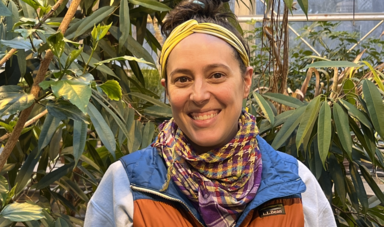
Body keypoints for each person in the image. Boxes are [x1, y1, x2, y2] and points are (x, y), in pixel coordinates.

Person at [84, 0, 336, 226]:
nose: (199, 94)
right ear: (167, 90)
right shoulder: (126, 185)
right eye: (182, 79)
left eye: (217, 75)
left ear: (246, 81)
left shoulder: (295, 185)